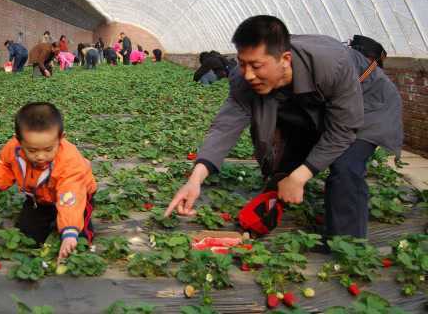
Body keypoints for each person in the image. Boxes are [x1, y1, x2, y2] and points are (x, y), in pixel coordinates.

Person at [165, 15, 403, 241]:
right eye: (242, 63)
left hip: (367, 104)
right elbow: (225, 126)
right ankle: (277, 199)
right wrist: (196, 178)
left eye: (256, 66)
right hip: (312, 105)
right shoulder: (245, 76)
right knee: (288, 159)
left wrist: (301, 176)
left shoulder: (332, 63)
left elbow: (343, 129)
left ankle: (346, 245)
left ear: (285, 59)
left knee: (346, 165)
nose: (248, 74)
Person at [0, 102, 97, 260]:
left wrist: (70, 232)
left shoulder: (69, 163)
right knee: (28, 237)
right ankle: (51, 216)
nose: (41, 156)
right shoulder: (14, 150)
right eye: (32, 150)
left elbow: (70, 195)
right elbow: (6, 166)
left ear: (61, 138)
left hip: (76, 195)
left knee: (79, 236)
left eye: (49, 149)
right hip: (39, 196)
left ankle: (78, 234)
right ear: (19, 141)